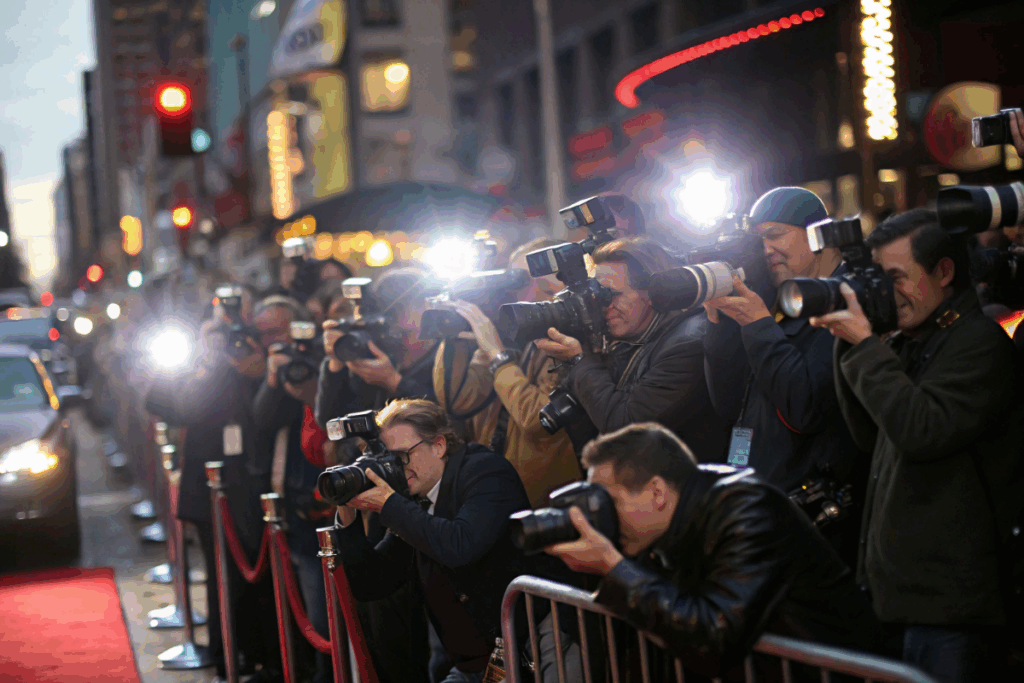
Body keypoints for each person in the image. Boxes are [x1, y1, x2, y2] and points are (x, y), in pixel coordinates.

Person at [811, 208, 1024, 683]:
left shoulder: (979, 344)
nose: (886, 292)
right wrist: (848, 340)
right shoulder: (914, 341)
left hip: (952, 608)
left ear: (944, 272)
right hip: (900, 596)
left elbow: (920, 431)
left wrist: (865, 347)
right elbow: (872, 435)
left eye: (896, 278)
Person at [544, 422, 882, 679]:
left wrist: (612, 566)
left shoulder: (745, 509)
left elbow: (714, 637)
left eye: (611, 502)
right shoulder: (667, 525)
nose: (604, 517)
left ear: (657, 492)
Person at [333, 399, 568, 682]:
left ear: (439, 445)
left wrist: (391, 506)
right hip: (477, 664)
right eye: (388, 460)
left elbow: (461, 545)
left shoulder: (485, 472)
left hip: (534, 647)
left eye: (402, 457)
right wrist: (347, 516)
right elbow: (372, 582)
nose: (397, 469)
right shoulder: (413, 500)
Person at [144, 285, 281, 682]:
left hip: (252, 484)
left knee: (257, 579)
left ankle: (263, 656)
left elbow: (260, 411)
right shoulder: (200, 370)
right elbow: (170, 406)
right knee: (222, 578)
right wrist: (204, 359)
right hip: (210, 492)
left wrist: (245, 360)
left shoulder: (254, 355)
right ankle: (228, 656)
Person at [701, 187, 865, 518]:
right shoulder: (783, 297)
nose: (766, 250)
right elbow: (729, 404)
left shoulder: (846, 299)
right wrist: (721, 325)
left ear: (817, 234)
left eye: (775, 236)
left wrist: (759, 325)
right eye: (759, 241)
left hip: (813, 507)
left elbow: (805, 407)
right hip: (758, 490)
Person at [534, 236, 729, 460]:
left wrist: (579, 360)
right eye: (598, 295)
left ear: (655, 293)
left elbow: (626, 426)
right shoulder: (620, 338)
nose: (603, 305)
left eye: (612, 295)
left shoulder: (687, 344)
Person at [435, 237, 581, 508]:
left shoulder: (572, 341)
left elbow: (538, 420)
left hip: (544, 501)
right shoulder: (516, 332)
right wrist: (457, 328)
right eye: (512, 280)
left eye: (523, 279)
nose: (515, 290)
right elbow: (459, 400)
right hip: (498, 487)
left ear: (560, 282)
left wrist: (497, 354)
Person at [252, 294, 334, 683]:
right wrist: (273, 381)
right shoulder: (278, 371)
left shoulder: (325, 359)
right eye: (265, 333)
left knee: (332, 615)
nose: (275, 340)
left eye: (280, 330)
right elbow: (262, 419)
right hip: (300, 507)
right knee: (313, 613)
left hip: (334, 501)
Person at [315, 268, 438, 426]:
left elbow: (445, 417)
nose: (423, 309)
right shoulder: (365, 350)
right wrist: (337, 362)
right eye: (399, 308)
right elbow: (330, 421)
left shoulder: (446, 354)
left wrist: (393, 382)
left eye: (423, 302)